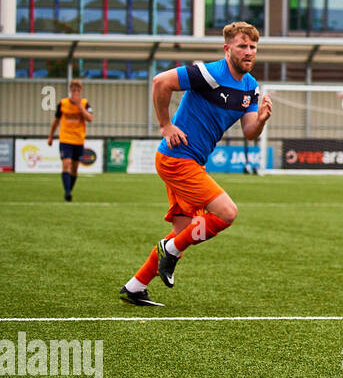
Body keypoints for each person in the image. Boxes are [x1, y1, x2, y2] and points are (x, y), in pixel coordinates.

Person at [119, 22, 272, 307]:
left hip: (190, 162)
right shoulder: (210, 73)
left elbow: (250, 131)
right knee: (226, 213)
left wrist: (261, 119)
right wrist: (165, 126)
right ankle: (170, 250)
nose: (248, 52)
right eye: (242, 46)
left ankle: (136, 286)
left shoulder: (251, 88)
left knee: (184, 232)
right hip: (177, 159)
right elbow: (160, 82)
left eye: (252, 47)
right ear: (227, 49)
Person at [47, 79, 93, 201]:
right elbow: (56, 122)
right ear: (70, 90)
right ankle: (67, 193)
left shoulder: (85, 103)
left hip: (78, 140)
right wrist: (51, 136)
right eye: (74, 90)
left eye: (78, 90)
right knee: (66, 164)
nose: (76, 92)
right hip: (65, 139)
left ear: (81, 91)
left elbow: (90, 118)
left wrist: (80, 107)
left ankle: (69, 189)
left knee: (74, 169)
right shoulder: (62, 103)